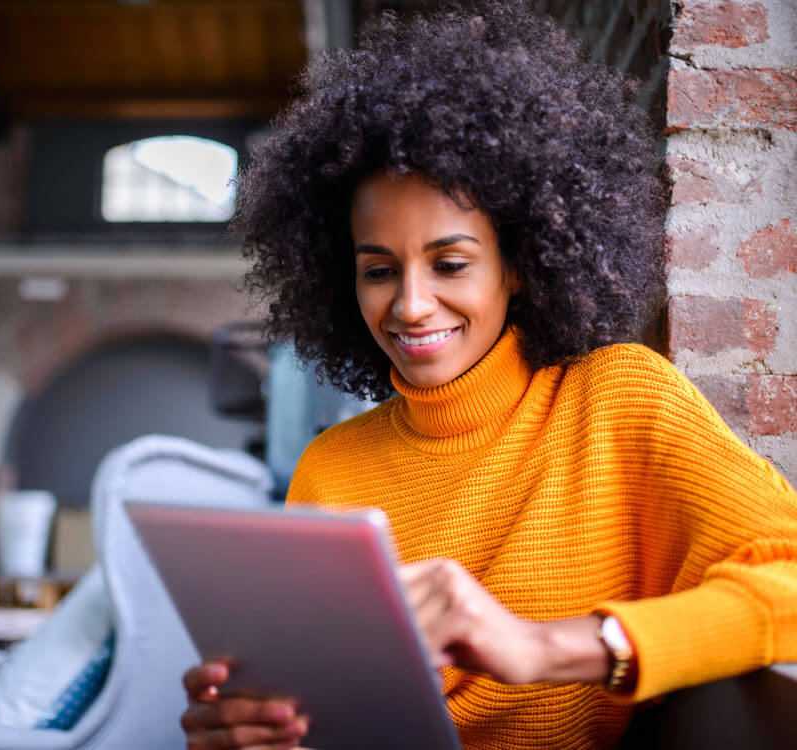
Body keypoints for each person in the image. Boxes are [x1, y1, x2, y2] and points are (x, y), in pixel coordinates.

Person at [179, 2, 797, 748]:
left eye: (450, 264)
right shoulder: (330, 470)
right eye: (379, 270)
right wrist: (256, 729)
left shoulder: (619, 399)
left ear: (520, 267)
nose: (409, 305)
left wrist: (546, 647)